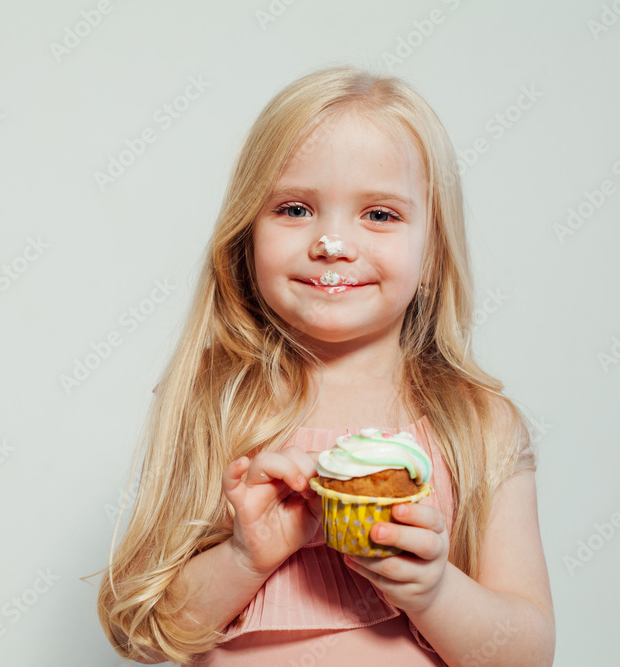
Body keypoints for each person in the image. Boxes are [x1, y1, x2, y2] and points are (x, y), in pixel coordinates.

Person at [91, 64, 555, 665]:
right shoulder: (213, 404)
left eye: (380, 214)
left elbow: (526, 656)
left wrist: (435, 593)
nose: (332, 243)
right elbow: (141, 634)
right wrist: (243, 557)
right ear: (245, 235)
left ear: (433, 251)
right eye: (294, 209)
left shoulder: (478, 424)